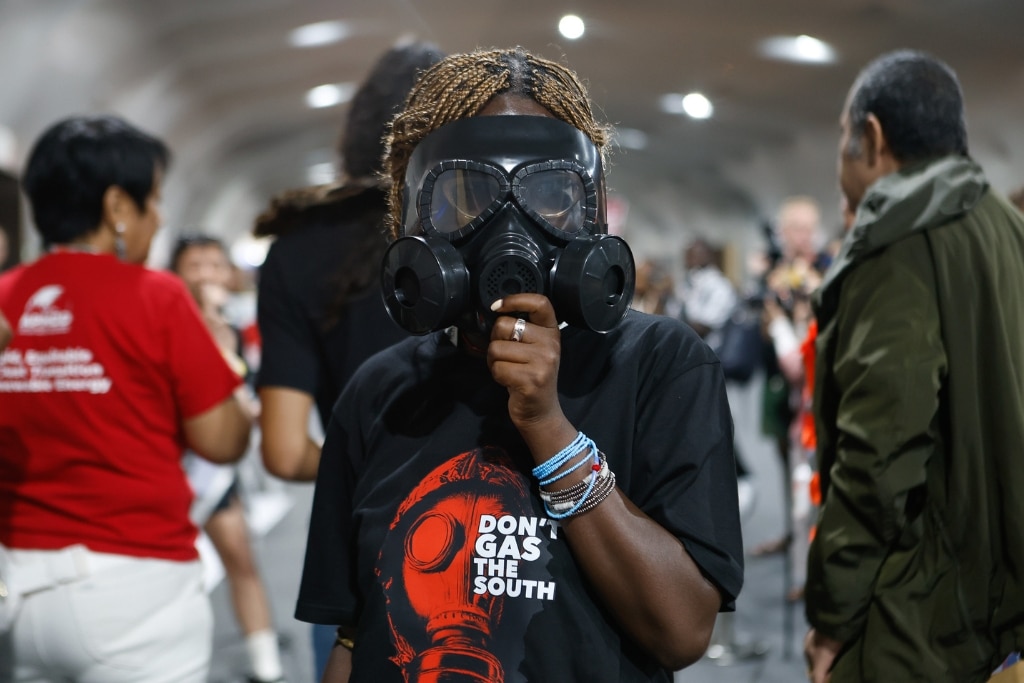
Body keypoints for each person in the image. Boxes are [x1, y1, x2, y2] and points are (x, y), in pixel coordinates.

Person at [297, 46, 744, 683]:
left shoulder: (659, 366)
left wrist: (548, 428)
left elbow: (682, 631)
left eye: (550, 194)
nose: (510, 227)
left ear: (591, 209)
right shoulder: (380, 393)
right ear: (410, 212)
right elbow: (351, 637)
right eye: (466, 195)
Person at [0, 115, 251, 682]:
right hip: (133, 591)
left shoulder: (4, 298)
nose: (158, 219)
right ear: (117, 206)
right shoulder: (156, 296)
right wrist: (226, 362)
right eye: (152, 201)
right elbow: (222, 441)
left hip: (16, 588)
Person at [803, 49, 1024, 682]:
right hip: (999, 599)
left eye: (842, 135)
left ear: (872, 138)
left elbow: (879, 453)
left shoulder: (898, 238)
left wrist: (832, 614)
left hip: (914, 614)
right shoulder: (1006, 227)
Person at [253, 41, 445, 677]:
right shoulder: (477, 231)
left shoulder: (296, 249)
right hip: (494, 531)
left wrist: (371, 467)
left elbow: (284, 451)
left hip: (360, 543)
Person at [169, 234, 286, 683]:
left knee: (239, 556)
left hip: (211, 471)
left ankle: (266, 666)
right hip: (170, 467)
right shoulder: (165, 323)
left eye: (215, 265)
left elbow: (242, 389)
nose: (206, 274)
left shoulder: (231, 329)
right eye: (195, 265)